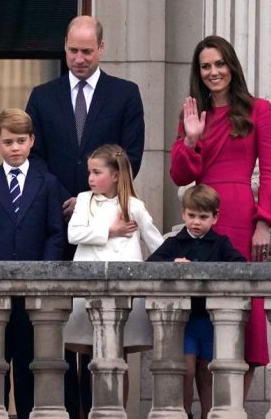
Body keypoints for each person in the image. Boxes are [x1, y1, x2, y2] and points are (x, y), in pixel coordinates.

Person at [25, 15, 145, 417]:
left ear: (102, 49)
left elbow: (132, 155)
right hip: (57, 222)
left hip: (110, 231)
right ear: (64, 47)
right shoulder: (42, 95)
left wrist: (96, 195)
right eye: (73, 50)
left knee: (108, 331)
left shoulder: (125, 94)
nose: (79, 58)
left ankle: (106, 410)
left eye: (87, 51)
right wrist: (71, 197)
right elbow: (34, 156)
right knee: (65, 328)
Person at [170, 35, 271, 398]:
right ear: (198, 72)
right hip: (202, 216)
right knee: (205, 315)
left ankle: (231, 407)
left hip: (240, 216)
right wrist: (191, 139)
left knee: (244, 317)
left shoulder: (258, 109)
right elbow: (179, 176)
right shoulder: (193, 115)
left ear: (231, 66)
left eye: (219, 64)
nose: (213, 72)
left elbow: (269, 171)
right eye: (206, 66)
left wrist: (264, 222)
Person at [0, 108, 64, 418]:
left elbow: (55, 233)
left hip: (33, 292)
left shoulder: (47, 183)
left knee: (28, 363)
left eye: (21, 141)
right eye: (8, 142)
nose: (15, 148)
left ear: (32, 141)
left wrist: (44, 273)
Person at [65, 144, 163, 407]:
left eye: (97, 172)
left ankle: (117, 411)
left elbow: (157, 244)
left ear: (116, 175)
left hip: (124, 292)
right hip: (87, 288)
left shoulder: (135, 206)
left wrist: (177, 259)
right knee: (87, 357)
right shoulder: (84, 200)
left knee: (119, 358)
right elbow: (73, 234)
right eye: (90, 172)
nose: (91, 178)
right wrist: (110, 230)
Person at [147, 184, 246, 419]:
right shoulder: (175, 243)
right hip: (186, 320)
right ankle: (185, 413)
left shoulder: (220, 243)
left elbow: (239, 264)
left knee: (207, 371)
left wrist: (207, 270)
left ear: (215, 217)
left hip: (211, 319)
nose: (196, 222)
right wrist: (173, 263)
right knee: (186, 370)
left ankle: (208, 414)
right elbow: (150, 264)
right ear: (183, 214)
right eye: (191, 215)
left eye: (203, 217)